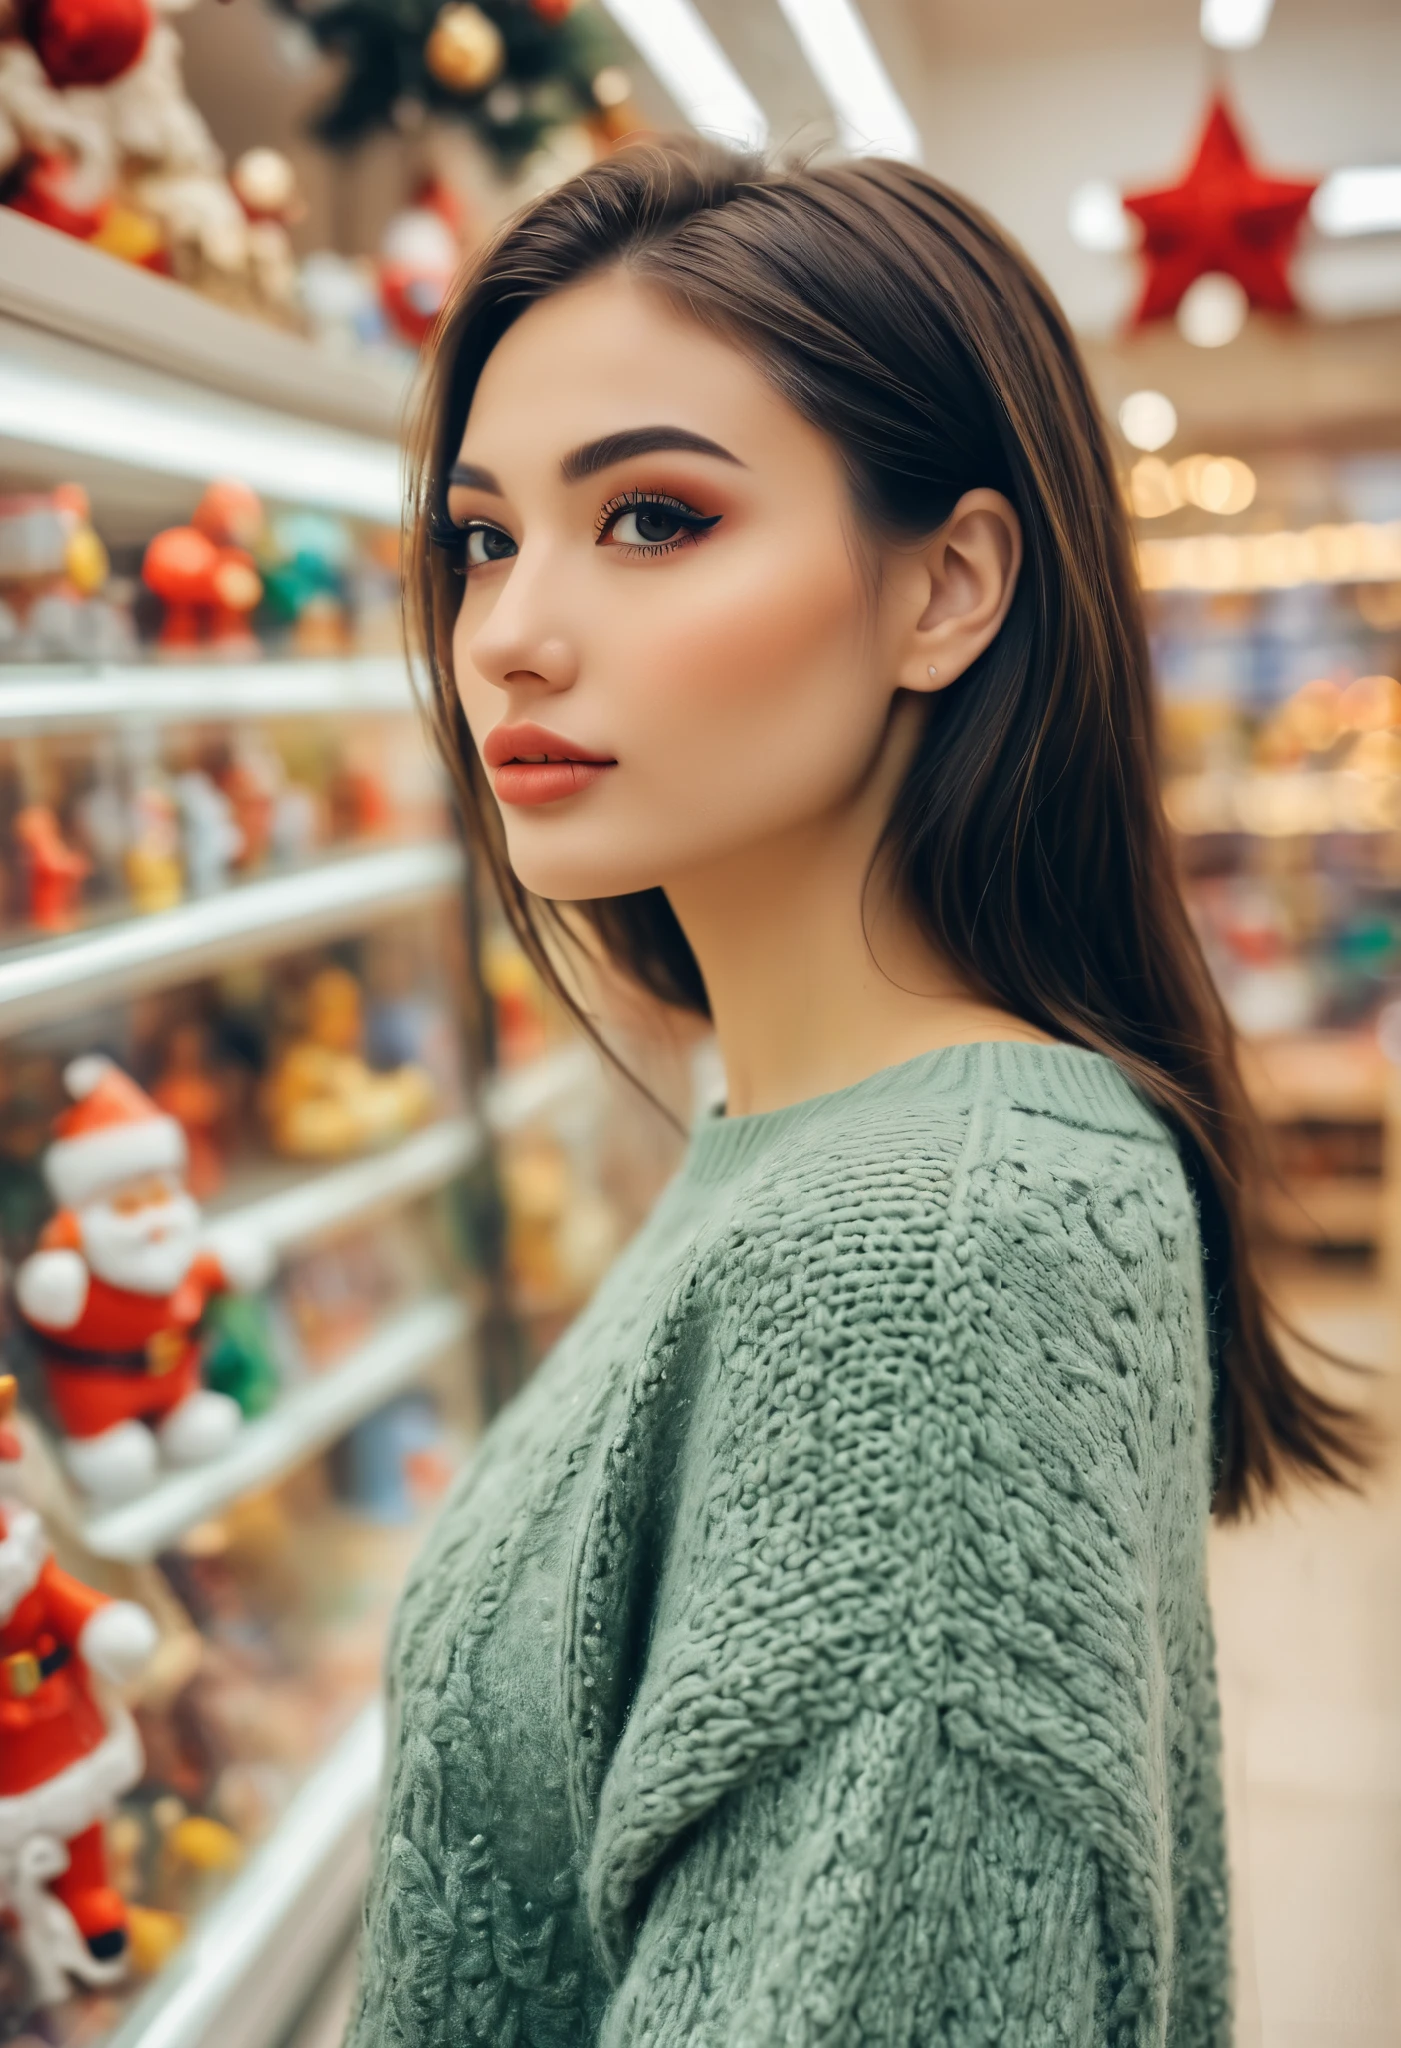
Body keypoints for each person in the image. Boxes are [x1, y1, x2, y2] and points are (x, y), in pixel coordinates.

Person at [347, 139, 1358, 2046]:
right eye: (483, 535)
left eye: (651, 517)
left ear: (947, 588)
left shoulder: (931, 1253)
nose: (508, 631)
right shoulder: (808, 1140)